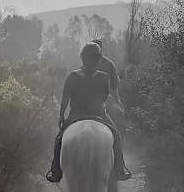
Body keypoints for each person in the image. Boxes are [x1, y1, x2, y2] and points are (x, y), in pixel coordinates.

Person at [46, 42, 132, 184]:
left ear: (82, 58)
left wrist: (62, 116)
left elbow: (65, 99)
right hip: (99, 114)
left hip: (76, 115)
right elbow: (104, 97)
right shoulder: (103, 76)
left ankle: (55, 171)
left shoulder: (72, 76)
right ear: (98, 60)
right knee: (116, 136)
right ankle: (120, 169)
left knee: (59, 140)